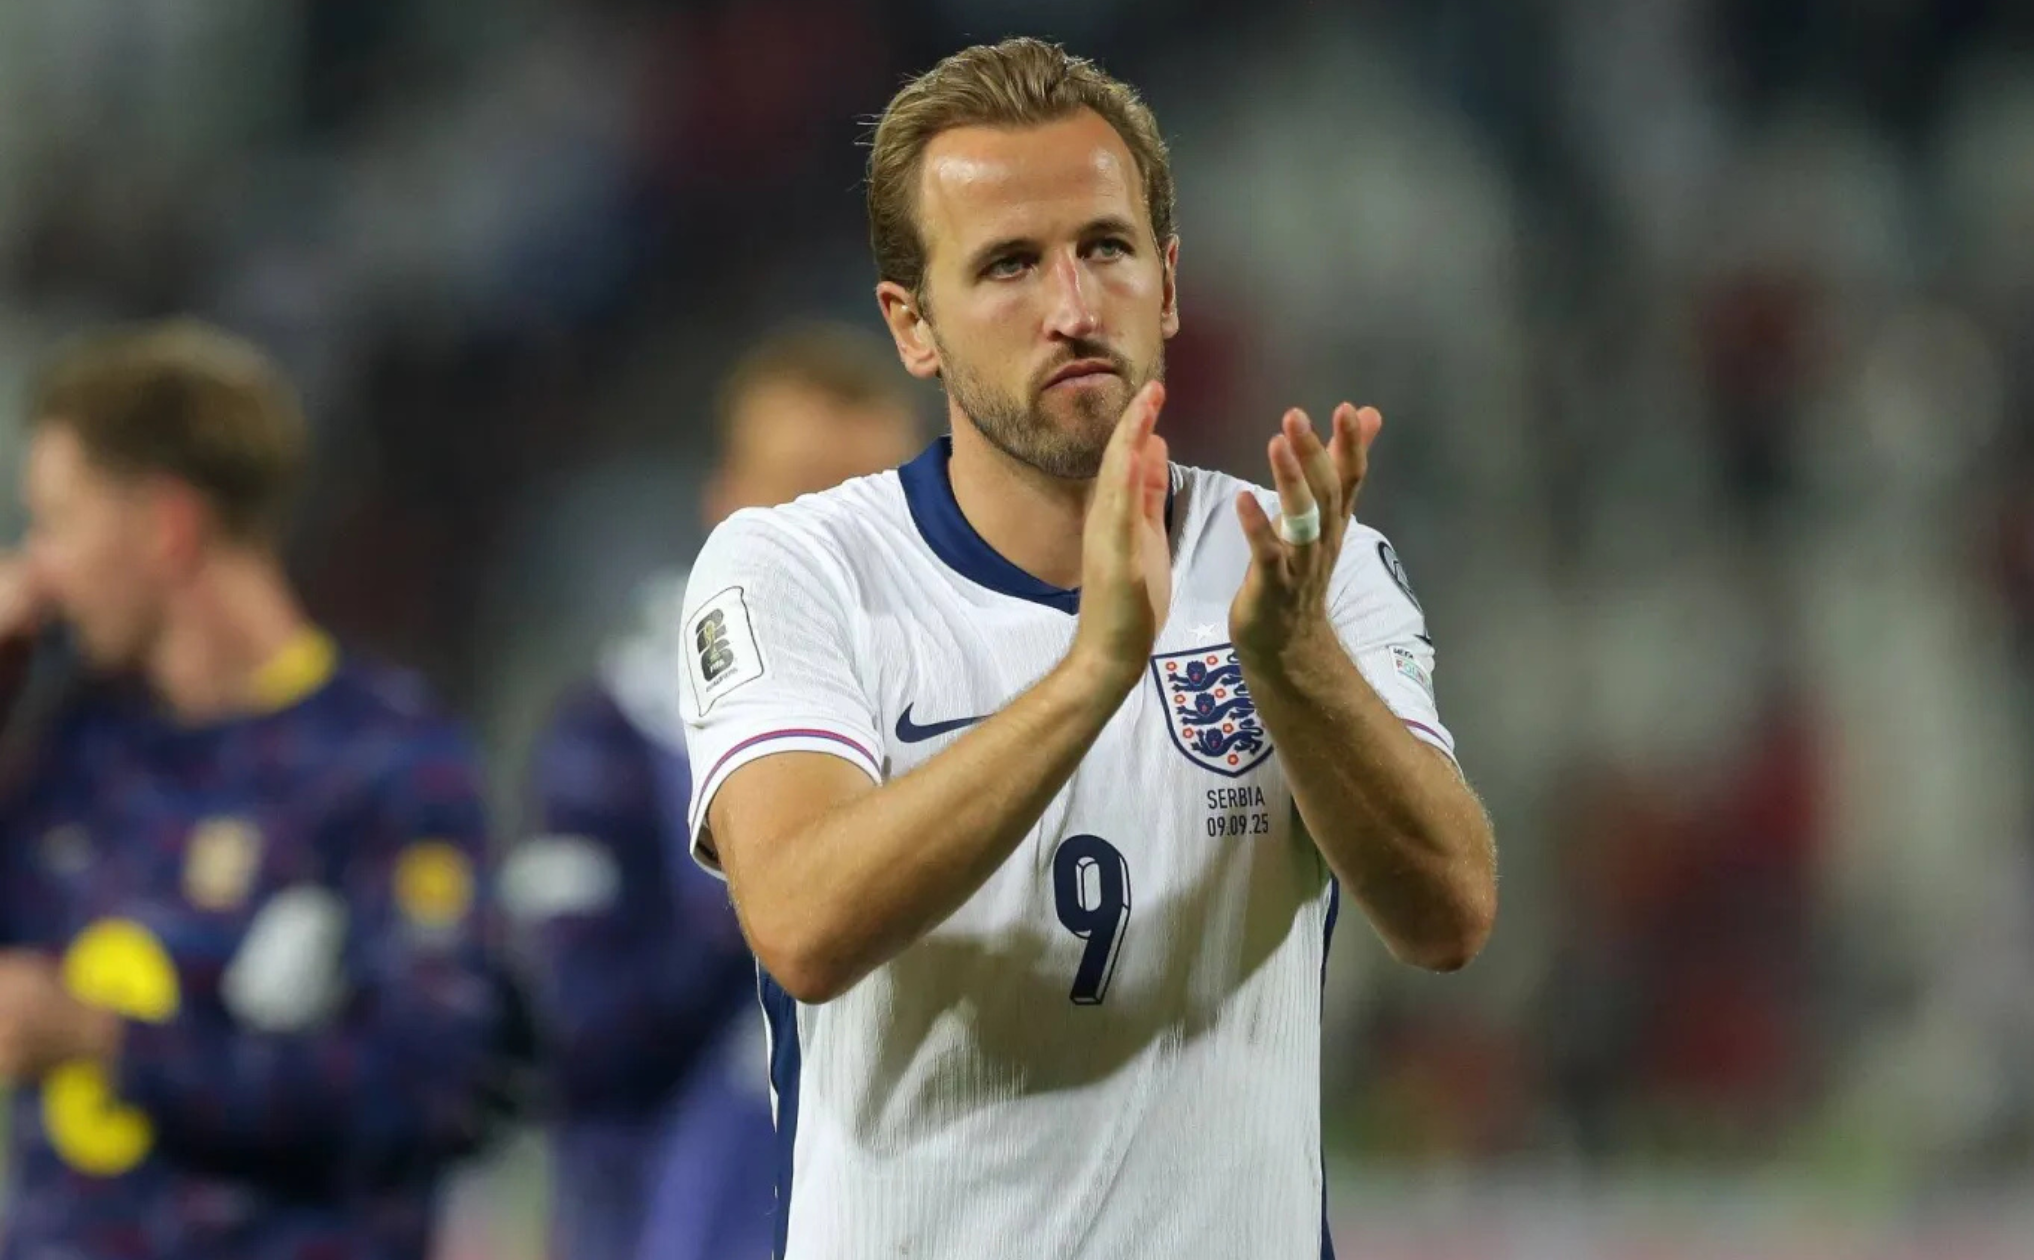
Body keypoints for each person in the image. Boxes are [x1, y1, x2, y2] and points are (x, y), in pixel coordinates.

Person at [676, 37, 1498, 1260]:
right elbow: (800, 922)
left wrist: (1295, 670)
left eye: (1103, 249)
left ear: (1166, 284)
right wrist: (1091, 672)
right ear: (913, 326)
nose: (1070, 308)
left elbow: (1448, 917)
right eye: (1007, 265)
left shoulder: (1301, 563)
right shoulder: (799, 570)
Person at [0, 321, 509, 1260]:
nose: (38, 570)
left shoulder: (386, 760)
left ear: (165, 526)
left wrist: (105, 1042)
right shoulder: (72, 749)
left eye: (56, 523)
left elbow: (431, 1094)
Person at [501, 324, 922, 1260]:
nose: (836, 537)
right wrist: (785, 879)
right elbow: (571, 1032)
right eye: (799, 491)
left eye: (874, 502)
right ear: (724, 506)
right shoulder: (623, 730)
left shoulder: (969, 733)